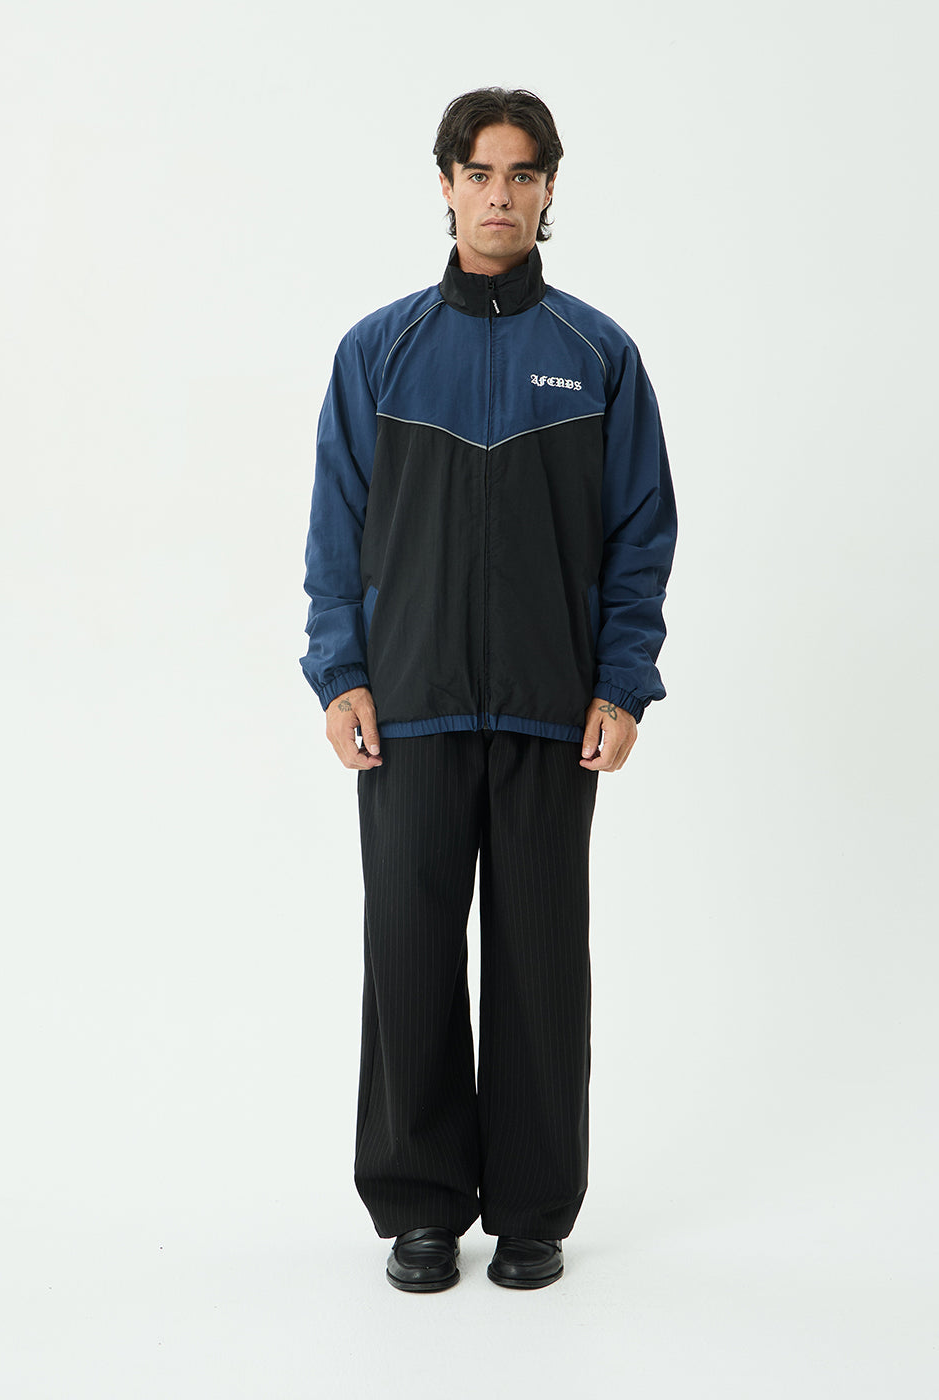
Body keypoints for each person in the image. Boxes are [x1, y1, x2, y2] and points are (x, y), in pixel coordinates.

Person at [299, 86, 677, 1292]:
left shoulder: (598, 355)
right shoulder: (379, 351)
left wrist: (620, 684)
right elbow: (336, 530)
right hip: (406, 707)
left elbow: (639, 534)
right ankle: (418, 1205)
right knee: (409, 957)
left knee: (539, 963)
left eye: (521, 173)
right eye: (479, 172)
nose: (499, 194)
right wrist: (341, 672)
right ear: (446, 184)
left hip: (551, 711)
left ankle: (530, 1210)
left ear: (549, 187)